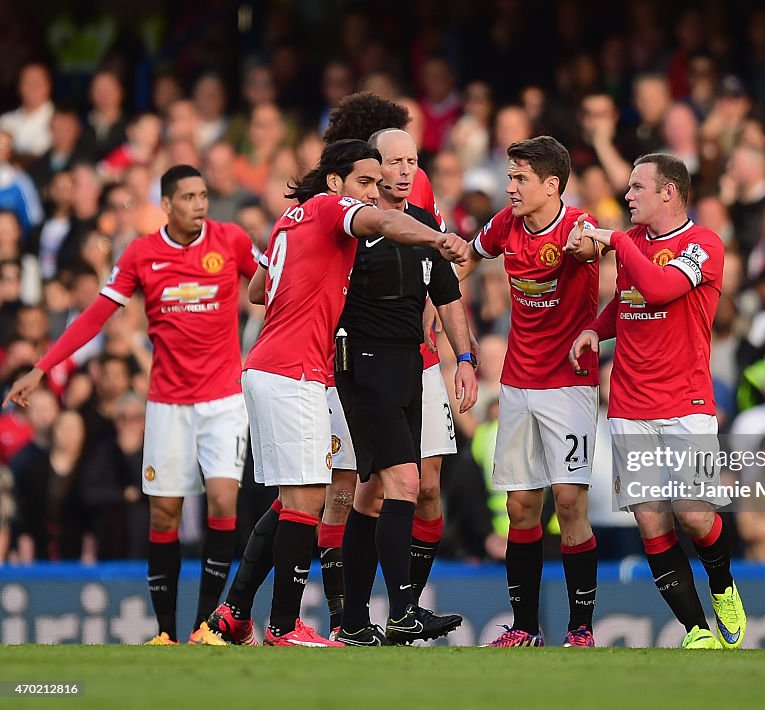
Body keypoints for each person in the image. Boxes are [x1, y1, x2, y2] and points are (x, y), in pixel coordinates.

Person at [208, 139, 468, 647]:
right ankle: (285, 625)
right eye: (365, 183)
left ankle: (241, 613)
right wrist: (437, 239)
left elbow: (259, 290)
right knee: (307, 501)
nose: (373, 193)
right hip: (296, 369)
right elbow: (389, 223)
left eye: (377, 182)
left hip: (275, 366)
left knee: (297, 501)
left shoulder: (294, 218)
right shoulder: (333, 210)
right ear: (335, 183)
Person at [4, 165, 260, 646]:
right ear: (165, 205)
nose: (199, 204)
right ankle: (165, 633)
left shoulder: (231, 240)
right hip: (167, 404)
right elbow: (95, 318)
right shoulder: (143, 254)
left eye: (203, 195)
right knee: (164, 514)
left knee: (224, 500)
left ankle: (207, 628)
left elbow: (273, 284)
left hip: (224, 399)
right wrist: (41, 368)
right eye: (188, 197)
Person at [567, 152, 746, 650]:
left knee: (692, 512)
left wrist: (617, 241)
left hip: (686, 400)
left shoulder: (703, 245)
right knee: (650, 518)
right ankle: (696, 631)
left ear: (668, 192)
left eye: (637, 187)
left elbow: (660, 288)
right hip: (628, 401)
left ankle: (723, 585)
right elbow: (629, 300)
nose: (628, 196)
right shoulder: (636, 246)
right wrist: (593, 330)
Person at [318, 90, 470, 630]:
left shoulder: (425, 218)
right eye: (394, 162)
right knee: (402, 482)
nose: (405, 171)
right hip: (363, 363)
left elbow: (448, 297)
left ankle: (355, 620)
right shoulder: (352, 225)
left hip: (410, 363)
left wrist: (467, 358)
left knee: (372, 491)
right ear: (370, 168)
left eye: (412, 161)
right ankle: (403, 610)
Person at [460, 136, 601, 648]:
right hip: (518, 383)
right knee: (521, 505)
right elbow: (470, 257)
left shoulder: (578, 227)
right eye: (510, 176)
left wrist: (586, 248)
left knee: (568, 505)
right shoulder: (504, 225)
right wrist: (448, 315)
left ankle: (581, 628)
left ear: (552, 185)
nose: (510, 186)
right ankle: (524, 628)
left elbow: (593, 246)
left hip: (569, 383)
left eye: (520, 179)